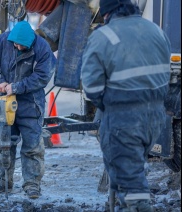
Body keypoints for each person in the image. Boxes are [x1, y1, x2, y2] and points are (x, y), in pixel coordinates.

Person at [81, 0, 171, 211]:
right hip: (155, 115)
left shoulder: (104, 36)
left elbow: (91, 86)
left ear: (107, 14)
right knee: (130, 169)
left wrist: (108, 105)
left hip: (123, 118)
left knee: (131, 182)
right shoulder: (156, 31)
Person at [0, 21, 56, 199]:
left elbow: (42, 76)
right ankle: (2, 181)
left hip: (31, 103)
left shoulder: (42, 48)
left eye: (21, 45)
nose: (17, 46)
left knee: (32, 146)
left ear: (30, 42)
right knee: (3, 144)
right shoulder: (3, 41)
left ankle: (32, 184)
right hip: (5, 102)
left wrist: (16, 87)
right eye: (14, 43)